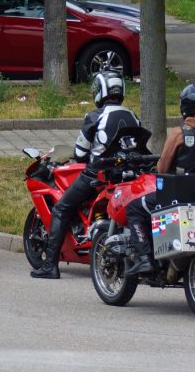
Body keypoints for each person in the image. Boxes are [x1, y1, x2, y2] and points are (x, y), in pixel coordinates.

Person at [30, 71, 142, 279]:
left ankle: (50, 266)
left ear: (100, 92)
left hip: (98, 176)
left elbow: (81, 153)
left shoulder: (94, 116)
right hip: (129, 176)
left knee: (62, 208)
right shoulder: (132, 115)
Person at [122, 82, 195, 276]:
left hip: (178, 199)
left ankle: (145, 258)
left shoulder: (179, 134)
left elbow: (162, 169)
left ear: (184, 107)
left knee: (135, 208)